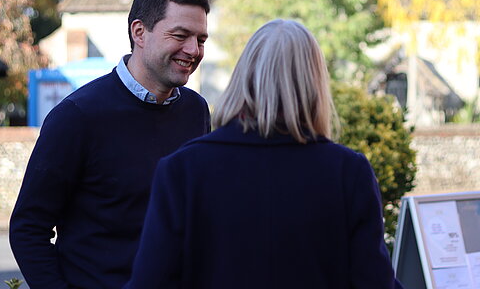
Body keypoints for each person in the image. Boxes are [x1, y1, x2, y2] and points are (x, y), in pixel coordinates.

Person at [125, 19, 404, 289]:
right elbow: (373, 281)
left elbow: (152, 281)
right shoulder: (348, 172)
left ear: (244, 75)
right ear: (314, 82)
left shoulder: (183, 170)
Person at [10, 0, 212, 289]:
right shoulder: (77, 116)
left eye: (200, 39)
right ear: (139, 32)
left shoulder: (196, 111)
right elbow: (28, 227)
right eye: (180, 35)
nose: (193, 50)